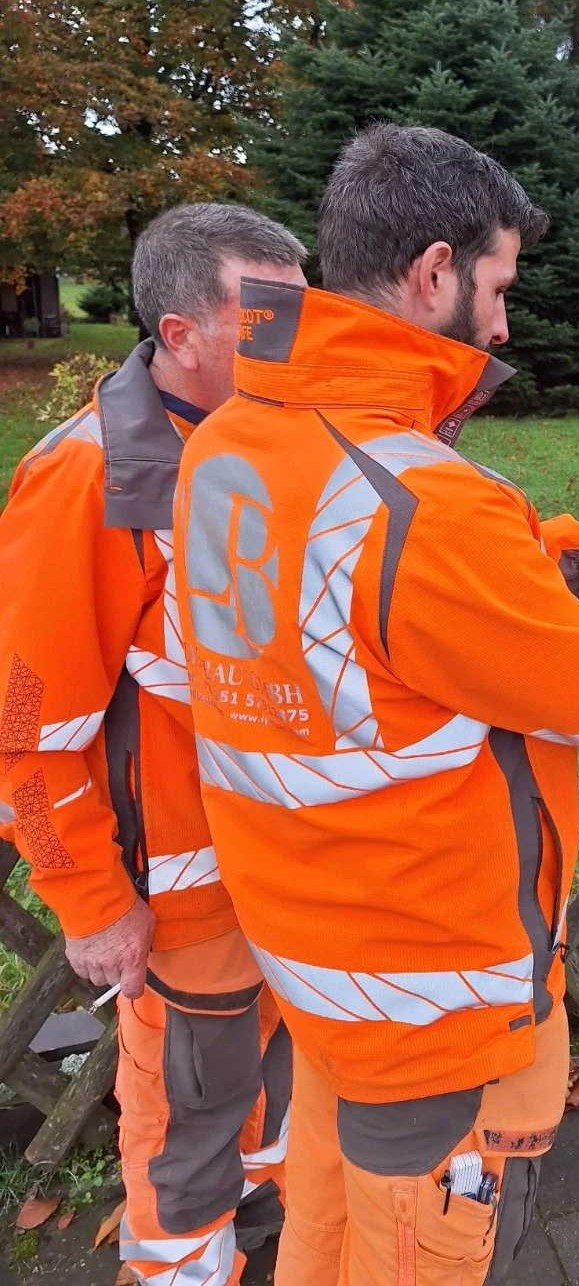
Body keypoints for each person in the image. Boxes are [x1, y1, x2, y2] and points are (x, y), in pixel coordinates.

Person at [173, 125, 579, 1286]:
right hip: (435, 1011)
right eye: (499, 284)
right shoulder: (425, 502)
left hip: (317, 966)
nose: (505, 322)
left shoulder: (237, 435)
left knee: (321, 1245)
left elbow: (365, 592)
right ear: (435, 271)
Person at [0, 204, 308, 1286]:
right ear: (181, 334)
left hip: (283, 869)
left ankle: (264, 1223)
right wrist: (90, 900)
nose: (294, 342)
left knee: (268, 1078)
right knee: (184, 1117)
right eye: (263, 320)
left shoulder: (261, 438)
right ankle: (182, 1268)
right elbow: (24, 735)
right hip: (183, 897)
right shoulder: (89, 479)